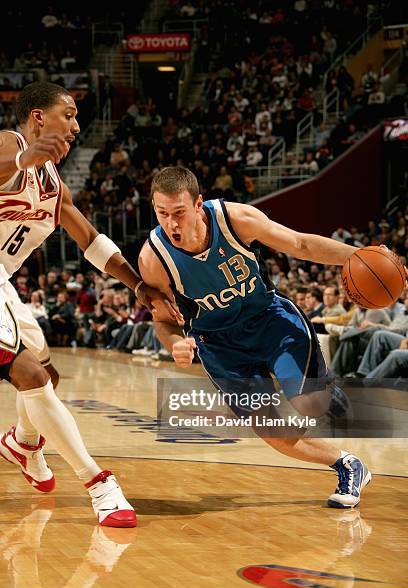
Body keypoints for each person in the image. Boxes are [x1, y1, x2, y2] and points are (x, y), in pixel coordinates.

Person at [138, 166, 373, 509]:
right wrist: (173, 342)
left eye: (179, 213)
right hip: (219, 346)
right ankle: (348, 464)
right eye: (162, 214)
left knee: (310, 404)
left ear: (198, 205)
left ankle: (325, 388)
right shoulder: (153, 258)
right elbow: (163, 321)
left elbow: (301, 244)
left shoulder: (237, 220)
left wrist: (358, 255)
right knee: (273, 431)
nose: (171, 224)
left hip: (271, 323)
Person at [0, 82, 179, 528]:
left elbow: (92, 242)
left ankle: (23, 442)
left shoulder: (54, 187)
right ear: (39, 117)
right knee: (31, 375)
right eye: (70, 114)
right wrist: (25, 157)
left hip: (2, 282)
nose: (77, 125)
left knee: (47, 376)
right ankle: (99, 484)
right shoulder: (11, 145)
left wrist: (138, 286)